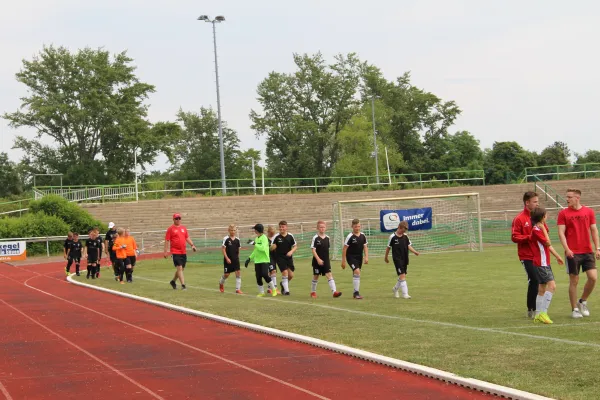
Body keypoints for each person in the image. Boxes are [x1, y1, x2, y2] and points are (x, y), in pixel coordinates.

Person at [557, 189, 600, 318]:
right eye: (567, 197)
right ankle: (574, 309)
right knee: (574, 281)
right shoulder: (563, 213)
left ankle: (582, 301)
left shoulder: (589, 211)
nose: (567, 199)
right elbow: (561, 233)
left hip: (587, 251)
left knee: (593, 278)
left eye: (569, 197)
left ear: (577, 198)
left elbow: (594, 230)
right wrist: (567, 249)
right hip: (572, 253)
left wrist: (598, 248)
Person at [511, 191, 543, 318]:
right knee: (534, 280)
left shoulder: (539, 217)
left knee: (541, 281)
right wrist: (529, 237)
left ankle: (538, 308)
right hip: (526, 255)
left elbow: (544, 231)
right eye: (535, 202)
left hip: (539, 254)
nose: (537, 204)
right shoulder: (519, 219)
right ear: (527, 202)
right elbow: (514, 237)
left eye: (537, 201)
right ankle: (532, 309)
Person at [530, 207, 564, 324]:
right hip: (541, 263)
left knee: (542, 288)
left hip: (543, 262)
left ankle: (538, 314)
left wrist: (557, 256)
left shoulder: (539, 228)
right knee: (552, 286)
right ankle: (543, 313)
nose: (547, 216)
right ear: (542, 217)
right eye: (546, 215)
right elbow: (548, 242)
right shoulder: (536, 230)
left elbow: (547, 246)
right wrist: (543, 228)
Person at [385, 221, 420, 299]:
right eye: (402, 230)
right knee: (402, 275)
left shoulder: (405, 236)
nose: (403, 232)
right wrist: (386, 257)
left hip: (405, 258)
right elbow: (388, 248)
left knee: (402, 276)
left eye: (404, 231)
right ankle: (405, 294)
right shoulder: (392, 237)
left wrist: (415, 252)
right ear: (399, 227)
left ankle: (395, 289)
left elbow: (408, 246)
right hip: (397, 259)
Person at [164, 213, 197, 290]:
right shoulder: (170, 229)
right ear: (173, 219)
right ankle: (183, 285)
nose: (178, 220)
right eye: (176, 218)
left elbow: (187, 237)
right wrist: (165, 251)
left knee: (181, 269)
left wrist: (192, 245)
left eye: (179, 218)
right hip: (175, 251)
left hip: (183, 252)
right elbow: (167, 240)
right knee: (179, 267)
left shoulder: (183, 228)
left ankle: (173, 281)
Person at [310, 221, 342, 298]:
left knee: (329, 274)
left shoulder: (327, 238)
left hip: (326, 260)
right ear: (318, 228)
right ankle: (313, 292)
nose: (322, 228)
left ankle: (334, 292)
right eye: (321, 227)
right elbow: (313, 250)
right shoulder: (315, 238)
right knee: (316, 276)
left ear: (325, 228)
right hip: (317, 261)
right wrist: (318, 259)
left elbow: (327, 249)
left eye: (323, 227)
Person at [245, 223, 277, 297]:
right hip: (257, 261)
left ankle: (274, 289)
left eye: (255, 229)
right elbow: (256, 250)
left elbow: (262, 248)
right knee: (258, 277)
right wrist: (249, 258)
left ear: (258, 230)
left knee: (265, 274)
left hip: (264, 260)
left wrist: (254, 243)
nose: (254, 231)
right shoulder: (256, 239)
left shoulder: (264, 238)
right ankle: (261, 292)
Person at [342, 219, 369, 299]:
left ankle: (355, 293)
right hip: (351, 257)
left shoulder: (363, 236)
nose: (357, 228)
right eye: (356, 227)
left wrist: (366, 257)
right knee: (357, 271)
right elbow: (344, 249)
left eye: (359, 226)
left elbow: (365, 247)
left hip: (359, 257)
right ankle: (356, 293)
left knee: (356, 273)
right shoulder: (350, 236)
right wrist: (343, 261)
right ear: (352, 227)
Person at [270, 221, 297, 296]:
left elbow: (295, 246)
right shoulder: (276, 236)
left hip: (289, 258)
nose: (281, 228)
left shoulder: (290, 236)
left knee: (291, 275)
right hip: (280, 257)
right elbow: (271, 248)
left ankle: (283, 284)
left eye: (283, 227)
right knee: (285, 273)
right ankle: (286, 291)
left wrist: (291, 252)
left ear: (286, 227)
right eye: (280, 227)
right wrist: (272, 247)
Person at [219, 224, 243, 294]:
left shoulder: (238, 240)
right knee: (226, 274)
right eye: (231, 230)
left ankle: (238, 289)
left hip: (235, 260)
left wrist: (237, 258)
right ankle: (221, 283)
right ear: (229, 230)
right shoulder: (226, 239)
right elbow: (223, 249)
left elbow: (238, 250)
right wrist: (227, 258)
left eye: (234, 230)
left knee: (238, 273)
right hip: (228, 260)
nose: (233, 232)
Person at [266, 225, 278, 295]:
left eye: (273, 233)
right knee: (273, 271)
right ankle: (275, 288)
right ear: (268, 232)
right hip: (268, 257)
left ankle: (269, 288)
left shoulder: (275, 238)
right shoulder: (265, 239)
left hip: (274, 257)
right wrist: (270, 248)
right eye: (271, 233)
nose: (272, 234)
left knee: (271, 272)